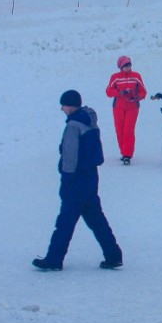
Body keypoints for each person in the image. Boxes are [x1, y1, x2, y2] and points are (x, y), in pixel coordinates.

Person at [33, 90, 123, 271]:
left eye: (64, 105)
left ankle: (54, 259)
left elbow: (70, 156)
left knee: (65, 222)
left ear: (71, 105)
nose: (62, 109)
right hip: (90, 177)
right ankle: (113, 255)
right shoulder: (89, 122)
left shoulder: (74, 126)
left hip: (76, 180)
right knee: (97, 220)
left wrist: (66, 180)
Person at [105, 55, 147, 164]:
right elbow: (109, 91)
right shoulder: (115, 77)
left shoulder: (136, 76)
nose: (128, 68)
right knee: (120, 130)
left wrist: (136, 96)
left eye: (129, 65)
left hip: (133, 107)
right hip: (118, 107)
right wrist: (119, 93)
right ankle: (123, 151)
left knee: (128, 130)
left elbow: (143, 91)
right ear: (120, 67)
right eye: (125, 66)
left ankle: (127, 154)